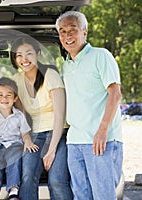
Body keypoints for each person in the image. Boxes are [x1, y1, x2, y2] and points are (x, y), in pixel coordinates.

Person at [55, 11, 123, 199]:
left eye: (72, 30)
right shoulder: (67, 64)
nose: (67, 35)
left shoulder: (101, 55)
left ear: (84, 32)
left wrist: (102, 130)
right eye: (62, 31)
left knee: (103, 195)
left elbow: (115, 93)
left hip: (101, 140)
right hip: (75, 141)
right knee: (81, 195)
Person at [10, 36, 73, 200]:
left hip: (58, 133)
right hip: (34, 136)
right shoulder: (16, 80)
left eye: (29, 53)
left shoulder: (50, 74)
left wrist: (51, 151)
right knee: (27, 178)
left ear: (37, 54)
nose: (24, 59)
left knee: (57, 181)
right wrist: (26, 139)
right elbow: (20, 115)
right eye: (19, 55)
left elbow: (60, 115)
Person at [0, 77, 39, 200]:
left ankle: (13, 191)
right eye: (0, 95)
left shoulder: (19, 115)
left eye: (8, 95)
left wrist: (27, 141)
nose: (4, 98)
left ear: (15, 98)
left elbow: (25, 133)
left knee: (15, 160)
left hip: (14, 144)